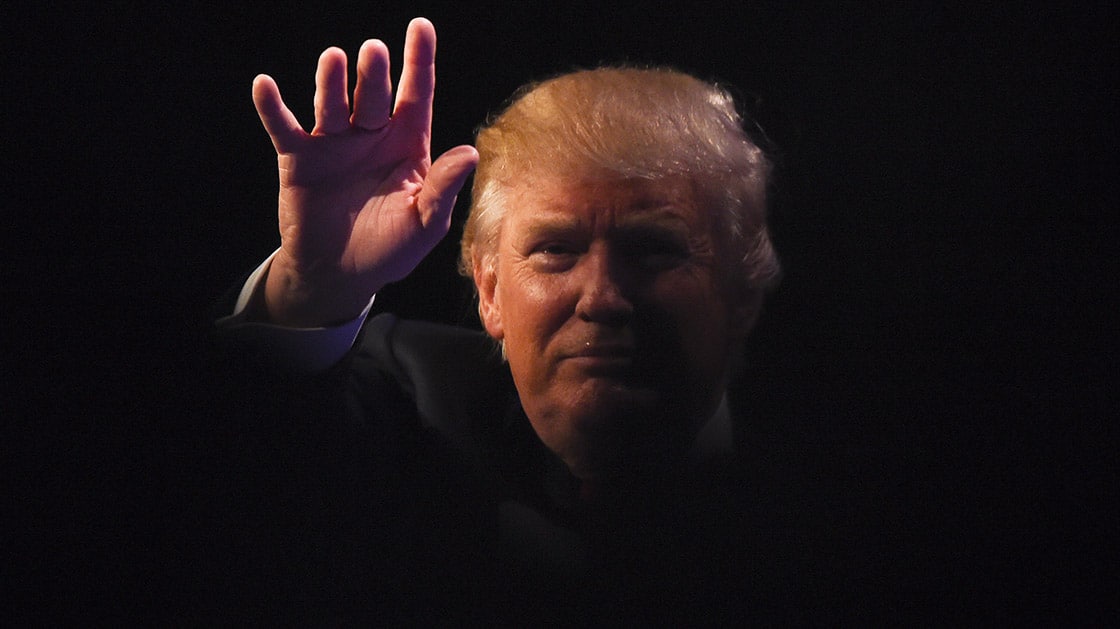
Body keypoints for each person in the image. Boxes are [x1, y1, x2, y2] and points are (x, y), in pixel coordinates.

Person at [216, 17, 786, 622]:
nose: (602, 297)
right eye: (555, 250)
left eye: (653, 250)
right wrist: (315, 290)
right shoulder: (410, 398)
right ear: (489, 290)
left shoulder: (861, 483)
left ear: (741, 290)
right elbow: (240, 467)